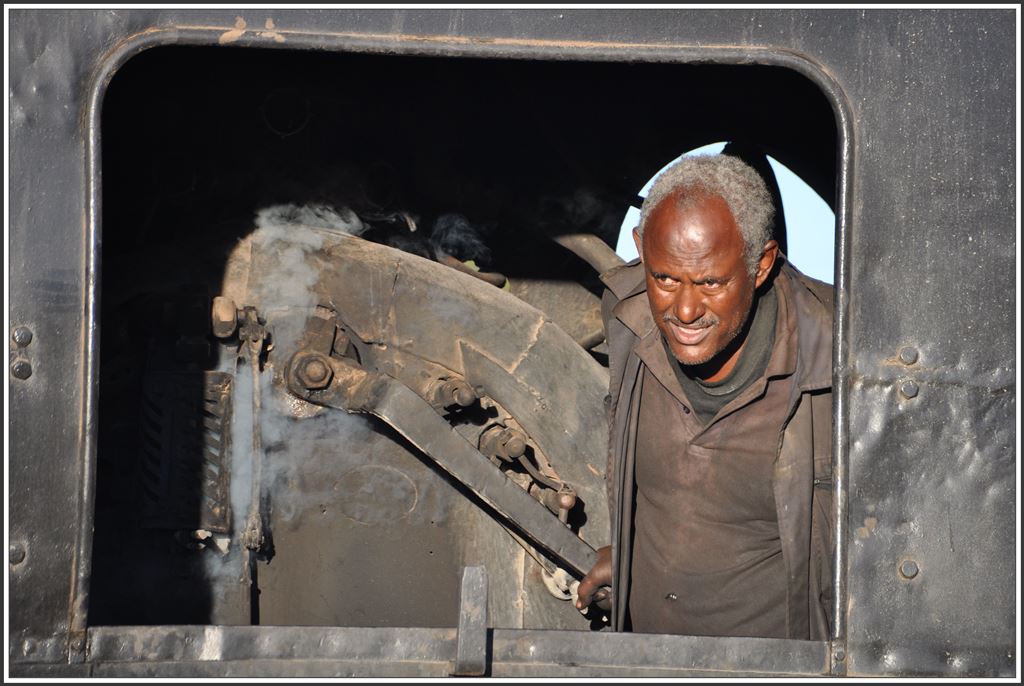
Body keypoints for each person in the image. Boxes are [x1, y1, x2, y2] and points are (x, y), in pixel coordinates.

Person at [575, 154, 834, 640]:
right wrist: (628, 556)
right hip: (644, 663)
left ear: (761, 264)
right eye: (665, 279)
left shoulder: (837, 361)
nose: (686, 310)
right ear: (641, 249)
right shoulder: (627, 314)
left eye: (711, 282)